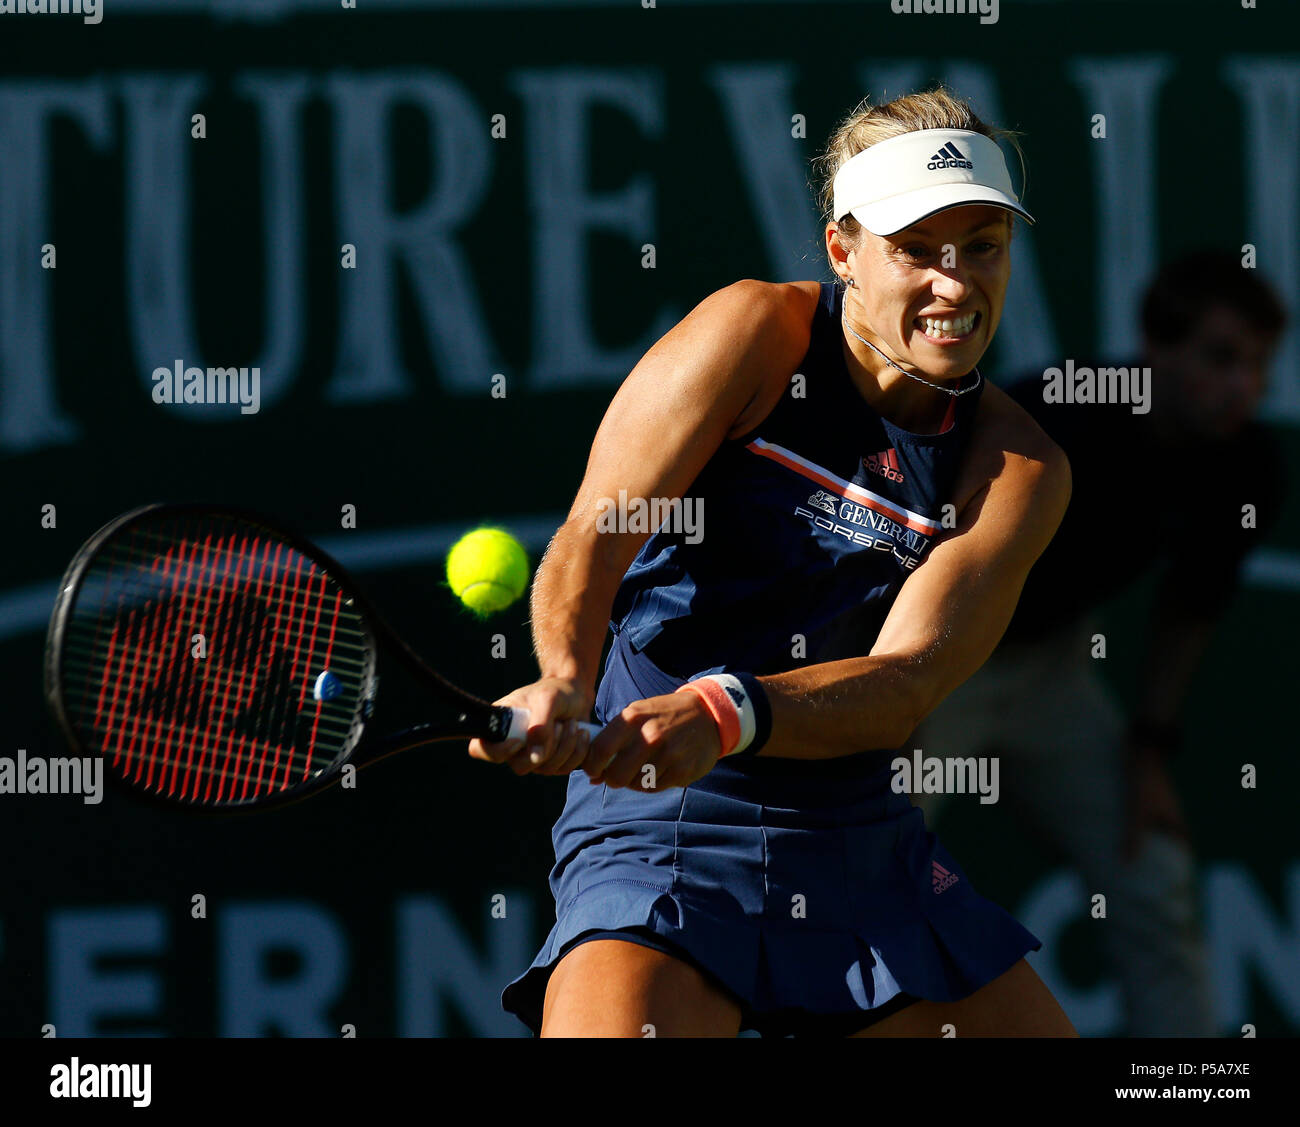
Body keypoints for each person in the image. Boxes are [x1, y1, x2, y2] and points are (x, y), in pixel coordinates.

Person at [473, 88, 1078, 1037]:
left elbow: (903, 681)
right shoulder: (752, 335)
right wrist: (560, 678)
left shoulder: (1020, 468)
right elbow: (600, 525)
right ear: (843, 249)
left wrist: (726, 708)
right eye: (918, 248)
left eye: (984, 245)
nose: (956, 284)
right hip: (660, 814)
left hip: (857, 837)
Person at [907, 250, 1288, 1037]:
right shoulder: (1060, 416)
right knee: (871, 869)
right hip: (938, 657)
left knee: (1151, 870)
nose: (1242, 386)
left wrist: (1147, 754)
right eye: (1220, 358)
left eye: (1257, 365)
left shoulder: (1248, 466)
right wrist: (902, 688)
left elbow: (1188, 615)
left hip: (1053, 669)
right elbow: (923, 554)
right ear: (1157, 347)